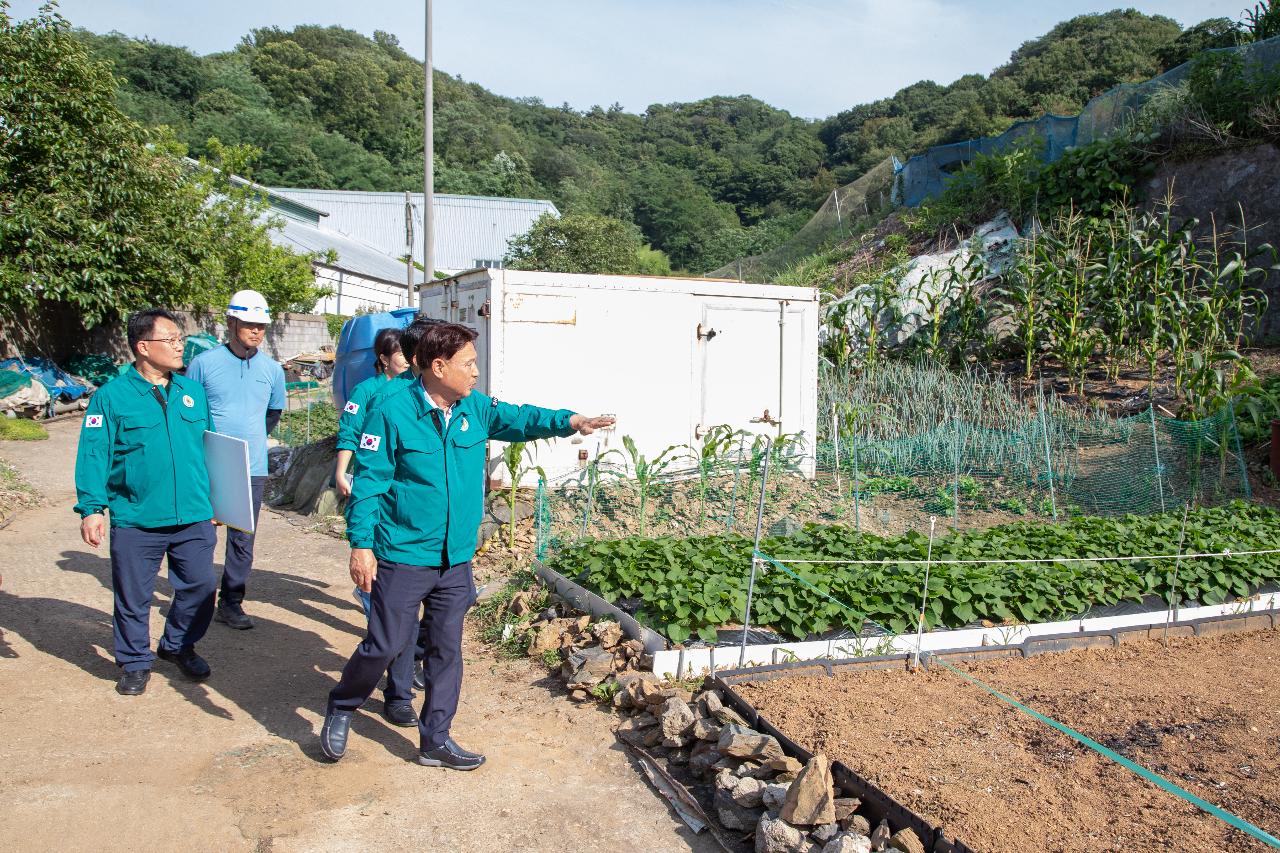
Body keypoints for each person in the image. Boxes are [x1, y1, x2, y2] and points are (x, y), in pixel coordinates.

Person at [319, 323, 614, 767]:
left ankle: (436, 738)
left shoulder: (473, 408)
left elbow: (519, 417)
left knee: (446, 649)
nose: (476, 372)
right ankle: (341, 706)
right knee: (384, 644)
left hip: (454, 558)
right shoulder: (391, 409)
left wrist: (570, 420)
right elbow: (370, 484)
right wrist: (361, 546)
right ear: (438, 367)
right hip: (403, 553)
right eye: (469, 364)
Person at [74, 308, 218, 695]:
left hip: (194, 513)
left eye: (179, 339)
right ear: (143, 347)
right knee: (133, 596)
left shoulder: (192, 392)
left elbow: (214, 449)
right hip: (137, 516)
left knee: (201, 586)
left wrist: (223, 501)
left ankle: (177, 644)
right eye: (170, 339)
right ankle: (135, 661)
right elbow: (93, 454)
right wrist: (91, 509)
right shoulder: (110, 398)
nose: (179, 346)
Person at [186, 289, 286, 631]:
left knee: (243, 539)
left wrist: (252, 438)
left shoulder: (272, 370)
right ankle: (195, 600)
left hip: (253, 466)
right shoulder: (204, 364)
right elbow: (189, 412)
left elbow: (274, 412)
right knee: (201, 534)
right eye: (249, 324)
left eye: (261, 326)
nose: (256, 331)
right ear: (232, 323)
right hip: (211, 462)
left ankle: (231, 602)